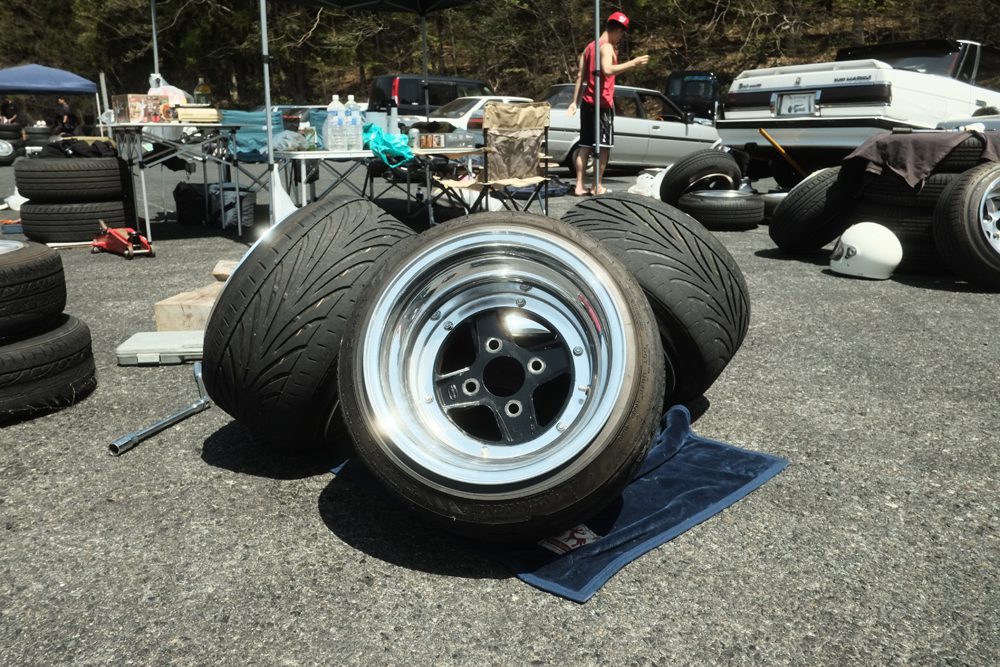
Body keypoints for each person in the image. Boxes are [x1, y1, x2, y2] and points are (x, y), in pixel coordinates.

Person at [567, 11, 648, 196]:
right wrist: (633, 63)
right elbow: (608, 70)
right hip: (602, 103)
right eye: (621, 34)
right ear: (618, 31)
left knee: (585, 145)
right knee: (603, 147)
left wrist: (574, 102)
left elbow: (580, 75)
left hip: (587, 103)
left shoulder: (590, 47)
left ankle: (579, 186)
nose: (620, 38)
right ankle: (597, 186)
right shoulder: (606, 47)